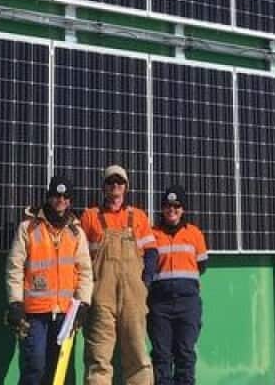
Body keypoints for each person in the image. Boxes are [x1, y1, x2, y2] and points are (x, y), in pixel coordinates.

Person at [6, 176, 93, 385]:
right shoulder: (28, 228)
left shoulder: (76, 232)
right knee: (35, 365)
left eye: (65, 196)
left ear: (70, 201)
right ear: (49, 197)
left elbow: (85, 271)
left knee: (59, 371)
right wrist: (15, 303)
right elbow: (15, 268)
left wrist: (84, 303)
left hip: (65, 314)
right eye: (56, 195)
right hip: (35, 313)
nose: (60, 200)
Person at [80, 165, 158, 385]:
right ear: (104, 187)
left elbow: (151, 251)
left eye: (120, 182)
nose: (115, 185)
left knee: (138, 356)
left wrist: (147, 281)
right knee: (98, 359)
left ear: (126, 187)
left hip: (134, 295)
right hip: (101, 297)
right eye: (111, 181)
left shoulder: (139, 216)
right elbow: (80, 256)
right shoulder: (90, 216)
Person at [147, 186, 208, 385]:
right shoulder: (152, 235)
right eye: (167, 206)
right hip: (159, 305)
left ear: (183, 209)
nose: (171, 210)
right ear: (162, 209)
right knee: (161, 356)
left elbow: (202, 265)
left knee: (185, 354)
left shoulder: (194, 234)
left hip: (187, 304)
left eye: (176, 206)